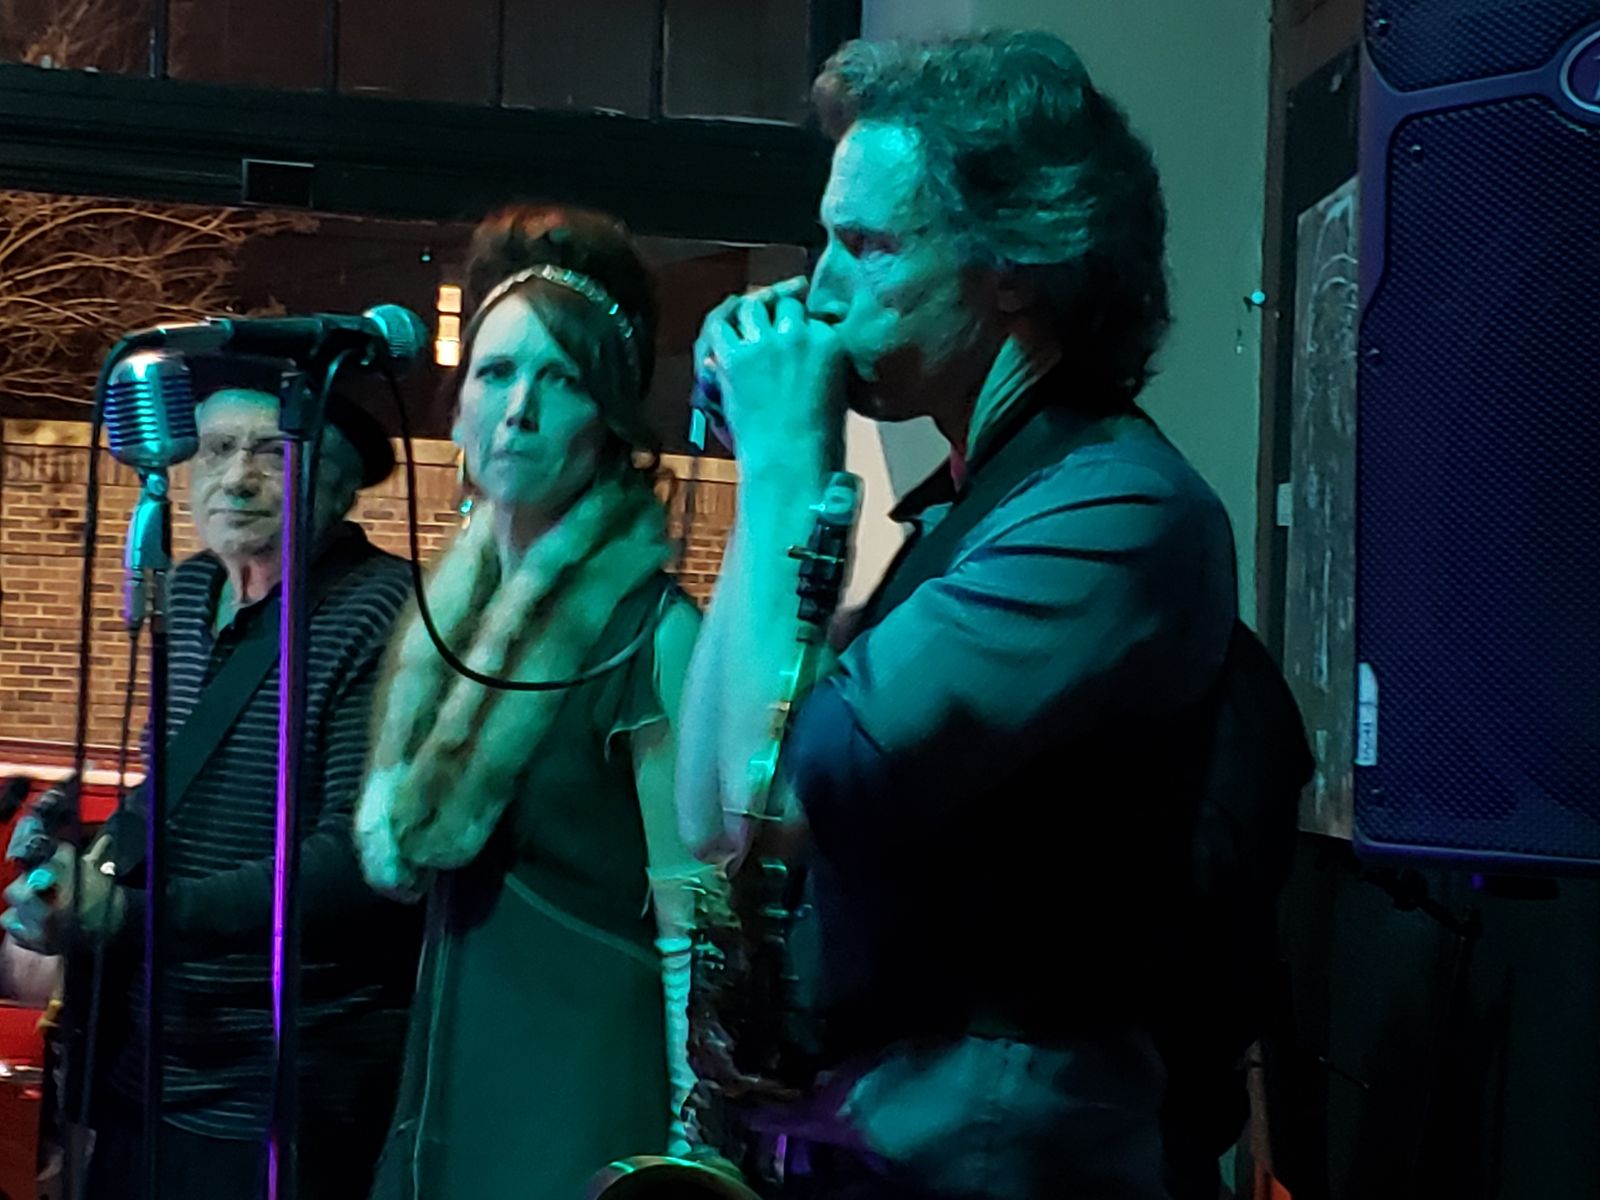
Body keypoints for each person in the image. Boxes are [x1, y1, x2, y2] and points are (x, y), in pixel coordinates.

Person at [678, 30, 1250, 1200]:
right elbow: (709, 815)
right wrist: (765, 484)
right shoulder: (966, 506)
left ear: (1014, 265)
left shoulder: (1115, 513)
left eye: (866, 246)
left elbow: (772, 801)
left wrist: (784, 462)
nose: (818, 292)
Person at [1, 358, 419, 1200]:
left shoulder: (386, 608)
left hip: (278, 1084)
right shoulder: (192, 591)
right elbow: (176, 792)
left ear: (341, 482)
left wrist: (134, 915)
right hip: (146, 1058)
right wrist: (82, 867)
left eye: (272, 452)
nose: (236, 477)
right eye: (217, 448)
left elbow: (357, 861)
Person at [355, 205, 707, 1200]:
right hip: (449, 1093)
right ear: (458, 408)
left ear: (611, 420)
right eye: (496, 373)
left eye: (563, 380)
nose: (519, 409)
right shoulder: (444, 626)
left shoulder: (650, 630)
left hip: (584, 1109)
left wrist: (692, 1151)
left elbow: (694, 930)